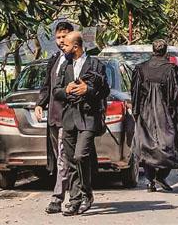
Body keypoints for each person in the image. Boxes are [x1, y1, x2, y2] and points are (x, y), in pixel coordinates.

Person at [52, 31, 110, 216]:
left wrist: (88, 89)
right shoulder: (65, 65)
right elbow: (56, 92)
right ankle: (75, 200)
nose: (63, 47)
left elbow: (105, 90)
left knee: (80, 156)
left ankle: (87, 193)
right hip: (69, 118)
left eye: (66, 45)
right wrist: (66, 90)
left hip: (88, 118)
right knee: (70, 161)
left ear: (75, 47)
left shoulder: (95, 64)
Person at [131, 39, 178, 193]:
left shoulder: (141, 69)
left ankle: (150, 179)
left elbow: (135, 93)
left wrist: (136, 112)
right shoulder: (171, 69)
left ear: (152, 50)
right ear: (166, 51)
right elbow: (177, 94)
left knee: (147, 146)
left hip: (146, 113)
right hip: (165, 113)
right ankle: (159, 176)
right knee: (169, 146)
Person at [36, 21, 74, 214]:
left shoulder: (77, 60)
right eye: (58, 37)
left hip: (68, 117)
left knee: (63, 158)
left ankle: (57, 198)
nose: (61, 41)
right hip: (53, 116)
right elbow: (47, 86)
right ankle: (80, 192)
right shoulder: (54, 59)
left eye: (64, 36)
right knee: (60, 157)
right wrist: (39, 104)